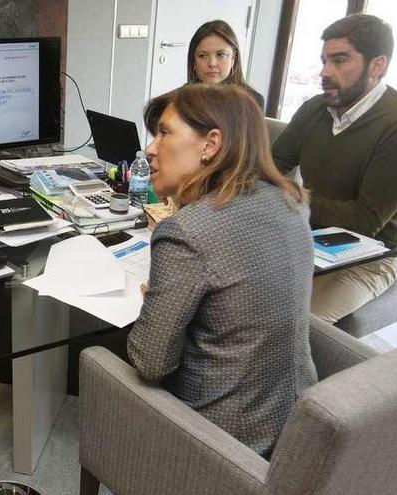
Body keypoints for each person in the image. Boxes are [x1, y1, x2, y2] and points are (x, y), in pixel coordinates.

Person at [127, 84, 317, 458]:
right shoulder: (291, 202)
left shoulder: (187, 230)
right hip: (301, 426)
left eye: (164, 133)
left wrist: (156, 304)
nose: (150, 148)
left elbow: (150, 362)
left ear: (210, 144)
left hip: (223, 442)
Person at [271, 14, 397, 324]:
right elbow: (269, 164)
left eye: (340, 60)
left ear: (377, 65)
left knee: (283, 323)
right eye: (325, 60)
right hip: (306, 237)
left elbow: (363, 222)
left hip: (366, 257)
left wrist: (288, 196)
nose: (326, 72)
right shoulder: (315, 108)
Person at [187, 20, 265, 109]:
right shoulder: (177, 100)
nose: (212, 63)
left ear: (233, 59)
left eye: (221, 55)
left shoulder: (252, 100)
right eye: (203, 56)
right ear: (193, 60)